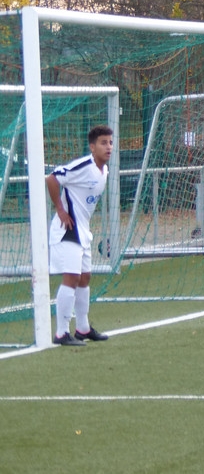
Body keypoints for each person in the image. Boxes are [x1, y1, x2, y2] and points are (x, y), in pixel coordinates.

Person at [47, 125, 114, 346]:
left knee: (85, 278)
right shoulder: (84, 166)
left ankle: (83, 328)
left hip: (83, 231)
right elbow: (52, 179)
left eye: (110, 142)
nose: (108, 147)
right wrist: (60, 209)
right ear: (92, 147)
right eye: (103, 143)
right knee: (72, 278)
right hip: (67, 230)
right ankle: (61, 333)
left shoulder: (104, 171)